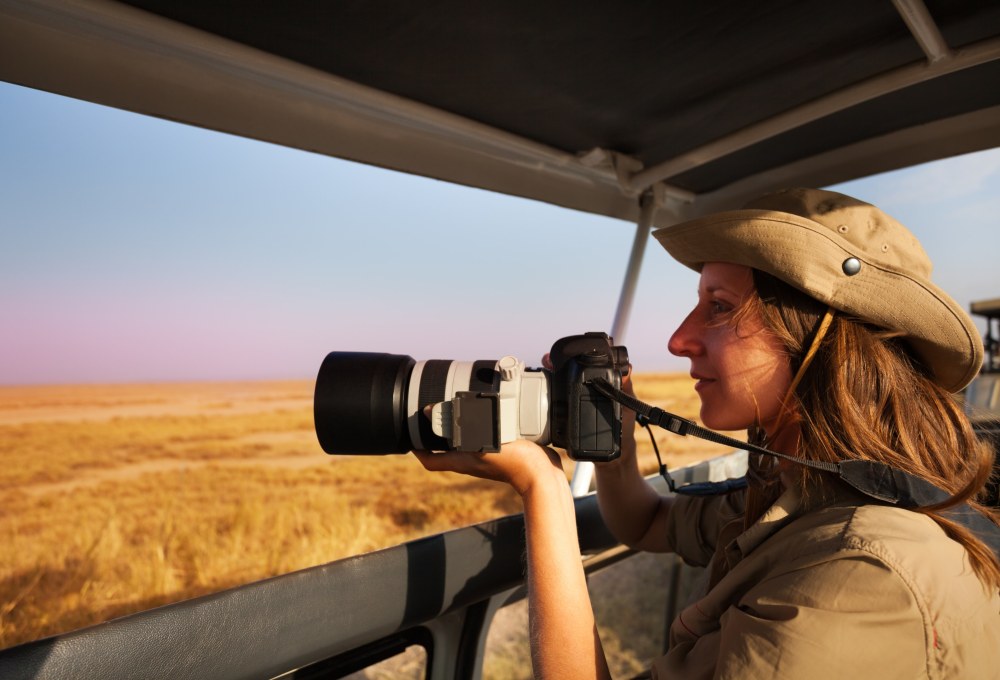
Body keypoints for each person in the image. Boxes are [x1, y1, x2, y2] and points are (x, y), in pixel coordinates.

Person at [414, 188, 1000, 678]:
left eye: (719, 307)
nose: (677, 339)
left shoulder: (862, 576)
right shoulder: (799, 484)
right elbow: (648, 523)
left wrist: (541, 488)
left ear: (822, 345)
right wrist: (612, 445)